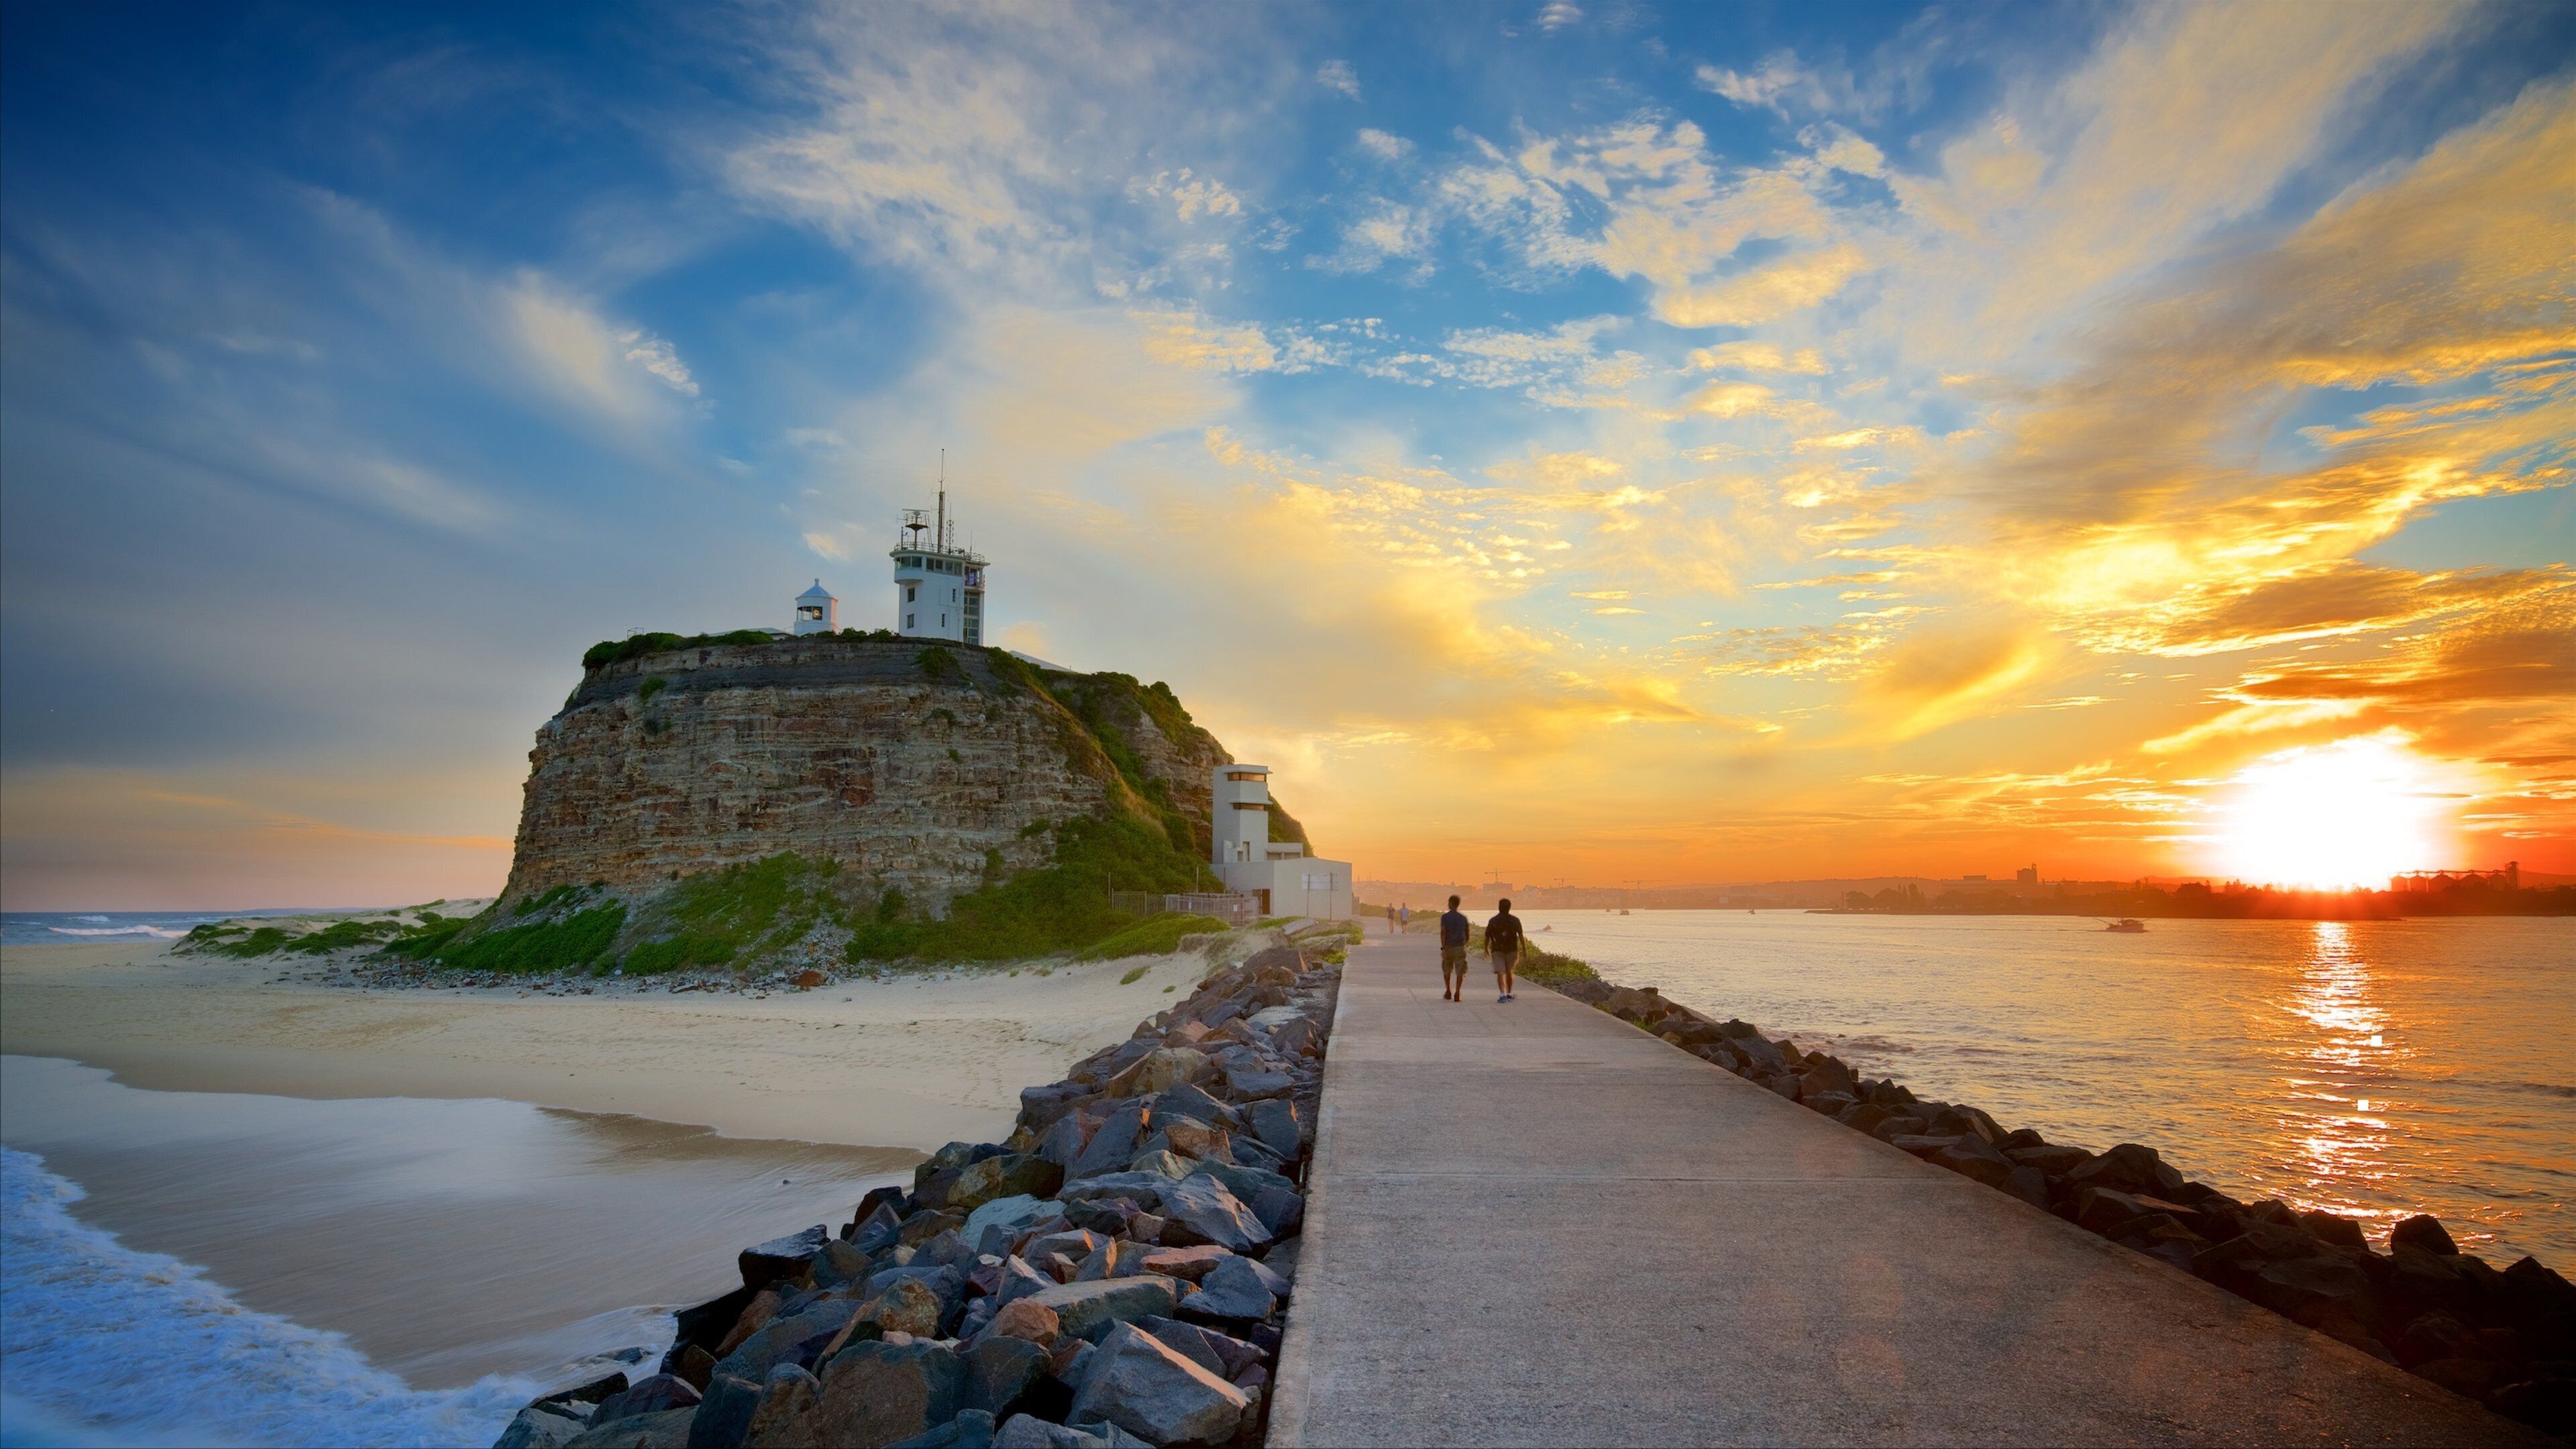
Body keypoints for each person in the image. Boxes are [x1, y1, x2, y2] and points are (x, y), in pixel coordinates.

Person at [1485, 897, 1525, 1003]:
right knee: (1509, 972)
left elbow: (1487, 936)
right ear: (1509, 908)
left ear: (1499, 907)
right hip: (1512, 950)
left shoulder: (1493, 920)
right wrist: (1524, 949)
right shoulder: (1515, 920)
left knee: (1500, 972)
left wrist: (1485, 948)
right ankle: (1509, 993)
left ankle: (1503, 994)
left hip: (1497, 950)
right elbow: (1521, 936)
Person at [1438, 894, 1470, 1002]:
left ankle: (1448, 991)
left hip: (1448, 947)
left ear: (1451, 903)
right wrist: (1464, 943)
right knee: (1460, 971)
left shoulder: (1445, 917)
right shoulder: (1463, 918)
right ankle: (1457, 993)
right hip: (1460, 947)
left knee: (1447, 969)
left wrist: (1443, 947)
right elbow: (1467, 933)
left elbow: (1443, 932)